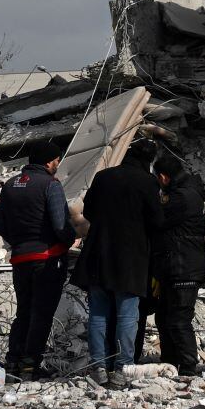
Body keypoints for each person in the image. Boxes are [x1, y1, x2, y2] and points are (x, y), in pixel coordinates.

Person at [75, 143, 163, 386]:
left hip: (98, 254)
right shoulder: (148, 182)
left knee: (98, 315)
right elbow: (157, 221)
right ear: (149, 162)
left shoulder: (103, 177)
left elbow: (89, 211)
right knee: (127, 316)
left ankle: (98, 368)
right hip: (131, 260)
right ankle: (123, 368)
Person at [0, 140, 74, 381]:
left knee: (24, 311)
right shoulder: (51, 184)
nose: (57, 165)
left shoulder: (9, 185)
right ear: (49, 161)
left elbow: (0, 226)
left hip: (20, 259)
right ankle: (31, 365)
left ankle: (14, 361)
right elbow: (60, 225)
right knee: (42, 313)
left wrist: (19, 243)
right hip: (47, 258)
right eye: (57, 161)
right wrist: (71, 240)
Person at [151, 151, 205, 376]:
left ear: (164, 177)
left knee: (178, 319)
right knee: (165, 316)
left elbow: (157, 220)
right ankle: (171, 361)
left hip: (183, 266)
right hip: (179, 264)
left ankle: (187, 366)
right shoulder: (189, 192)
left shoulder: (181, 198)